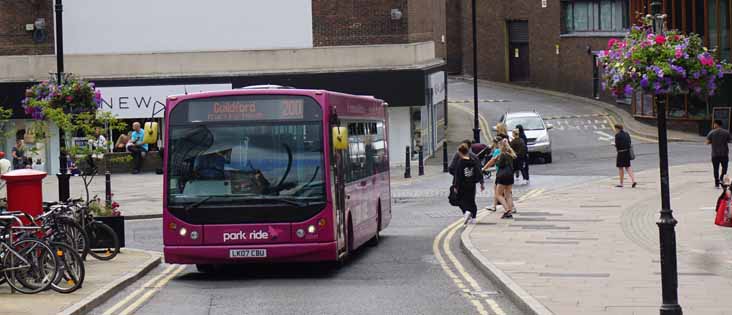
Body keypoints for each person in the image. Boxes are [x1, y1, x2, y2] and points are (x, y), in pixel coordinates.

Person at [484, 139, 516, 219]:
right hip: (510, 176)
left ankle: (507, 211)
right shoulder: (511, 154)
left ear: (501, 146)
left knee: (498, 194)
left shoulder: (500, 155)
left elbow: (491, 162)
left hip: (502, 176)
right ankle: (511, 210)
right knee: (508, 194)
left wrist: (483, 169)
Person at [454, 143, 484, 225]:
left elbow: (458, 175)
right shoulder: (473, 161)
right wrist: (481, 183)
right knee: (471, 200)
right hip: (471, 184)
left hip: (463, 185)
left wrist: (456, 186)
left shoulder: (460, 162)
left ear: (460, 152)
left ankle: (467, 211)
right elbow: (478, 172)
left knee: (461, 200)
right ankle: (473, 218)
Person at [706, 120, 732, 188]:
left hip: (715, 155)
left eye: (714, 124)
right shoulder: (726, 132)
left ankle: (717, 184)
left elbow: (707, 142)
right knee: (725, 169)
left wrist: (713, 141)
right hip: (724, 154)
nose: (714, 125)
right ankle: (721, 179)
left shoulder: (711, 132)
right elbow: (729, 140)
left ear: (716, 124)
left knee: (715, 169)